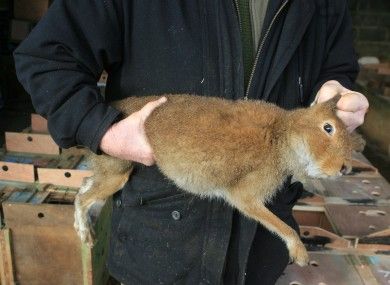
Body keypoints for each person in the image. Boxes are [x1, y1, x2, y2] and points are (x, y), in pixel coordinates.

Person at [14, 0, 368, 284]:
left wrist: (336, 92)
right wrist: (102, 130)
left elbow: (335, 66)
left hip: (259, 261)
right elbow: (48, 58)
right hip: (158, 246)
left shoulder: (325, 5)